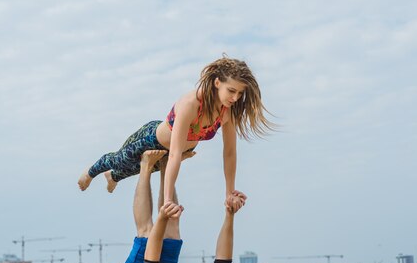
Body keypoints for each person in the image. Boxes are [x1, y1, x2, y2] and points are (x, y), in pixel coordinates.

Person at [78, 56, 274, 212]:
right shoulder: (191, 104)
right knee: (119, 161)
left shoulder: (227, 112)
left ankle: (113, 178)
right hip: (150, 139)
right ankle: (91, 172)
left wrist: (229, 192)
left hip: (174, 152)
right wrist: (168, 200)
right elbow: (174, 153)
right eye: (231, 91)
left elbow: (229, 153)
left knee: (137, 170)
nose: (235, 97)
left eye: (240, 93)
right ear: (217, 83)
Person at [109, 150, 248, 263]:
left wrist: (161, 217)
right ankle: (166, 164)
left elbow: (151, 261)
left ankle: (146, 165)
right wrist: (230, 214)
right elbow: (223, 260)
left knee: (146, 236)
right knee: (173, 234)